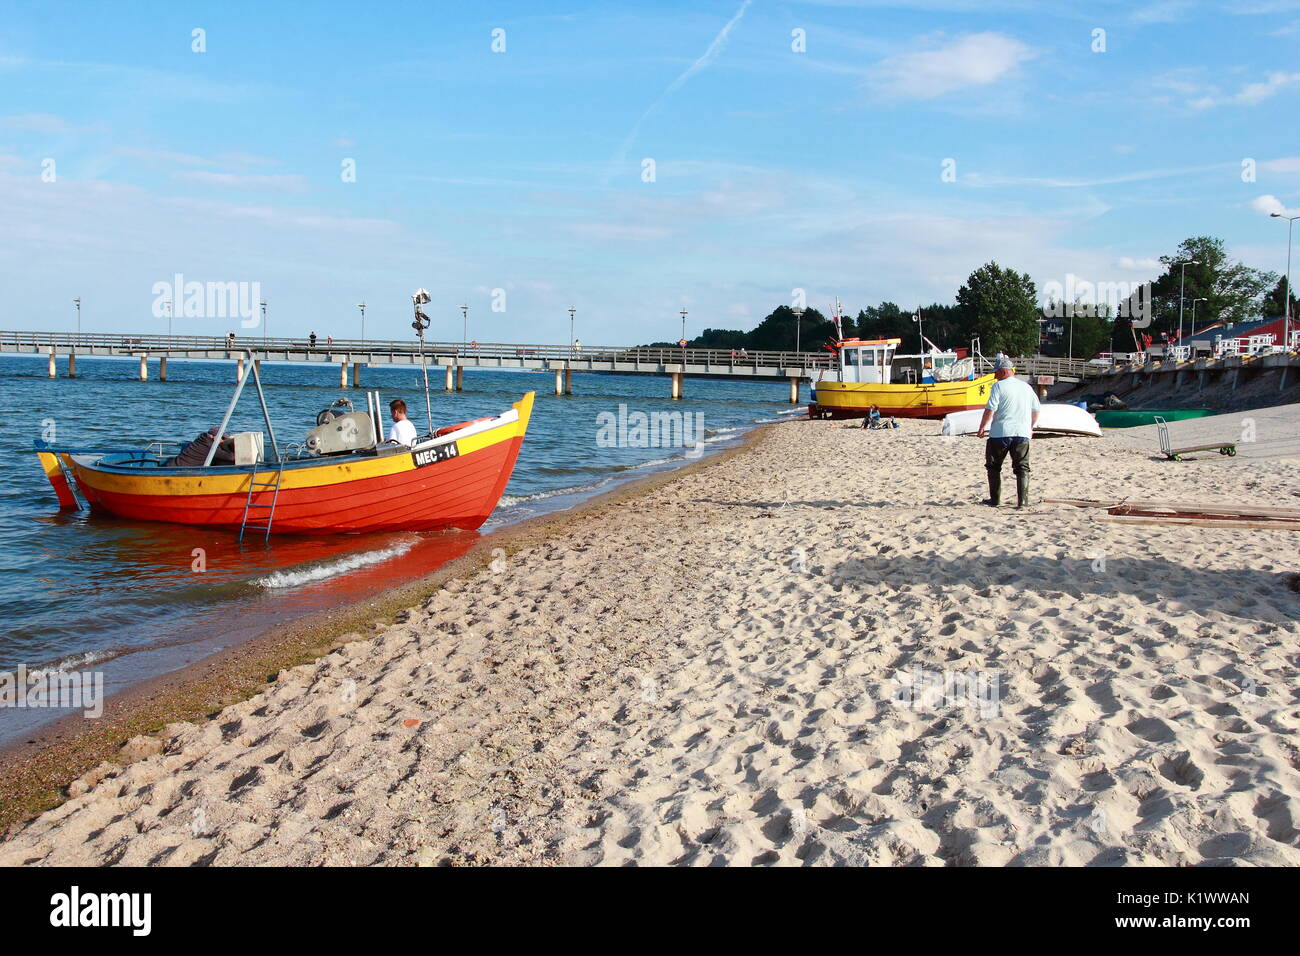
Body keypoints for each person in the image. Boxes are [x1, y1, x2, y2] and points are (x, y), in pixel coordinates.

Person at [976, 354, 1040, 508]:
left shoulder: (998, 386)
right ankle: (1023, 502)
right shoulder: (1026, 387)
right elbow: (1036, 410)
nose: (995, 376)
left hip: (1000, 432)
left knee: (993, 466)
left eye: (996, 373)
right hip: (1022, 433)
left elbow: (990, 409)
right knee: (1022, 467)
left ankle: (995, 500)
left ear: (1004, 372)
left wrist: (982, 426)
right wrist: (1030, 427)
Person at [163, 427, 235, 467]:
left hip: (173, 465)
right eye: (223, 438)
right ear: (214, 437)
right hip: (177, 470)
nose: (223, 441)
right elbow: (231, 457)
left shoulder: (202, 439)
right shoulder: (209, 446)